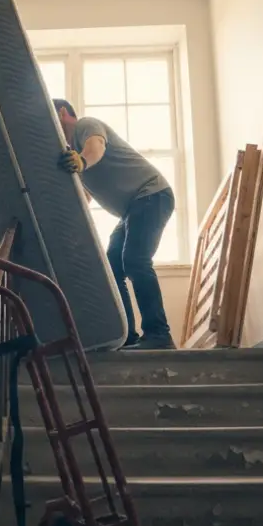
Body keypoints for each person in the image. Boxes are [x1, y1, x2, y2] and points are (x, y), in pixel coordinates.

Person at [55, 98, 176, 350]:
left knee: (135, 260)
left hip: (151, 194)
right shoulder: (72, 153)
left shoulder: (85, 126)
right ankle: (128, 336)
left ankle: (158, 335)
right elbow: (84, 198)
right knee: (113, 267)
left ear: (63, 112)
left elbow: (96, 148)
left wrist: (82, 162)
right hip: (133, 208)